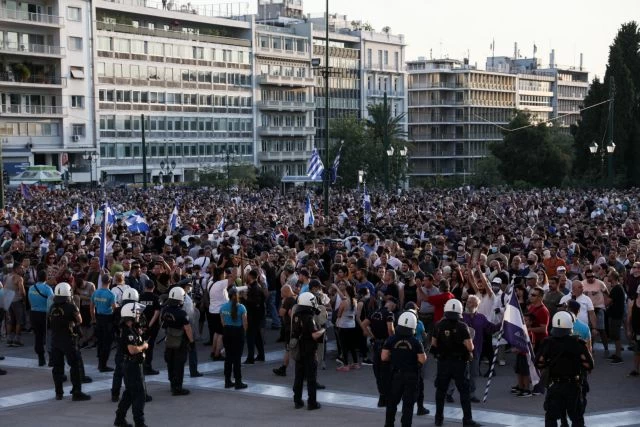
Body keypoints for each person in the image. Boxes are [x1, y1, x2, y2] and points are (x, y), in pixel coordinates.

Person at [536, 311, 594, 427]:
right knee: (577, 418)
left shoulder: (548, 343)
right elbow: (589, 364)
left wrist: (549, 363)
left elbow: (538, 363)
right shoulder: (578, 343)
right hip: (573, 385)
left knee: (551, 417)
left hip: (554, 386)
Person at [431, 299, 480, 427]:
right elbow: (470, 347)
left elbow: (433, 344)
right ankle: (467, 420)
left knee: (441, 391)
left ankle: (438, 418)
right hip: (459, 363)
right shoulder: (463, 326)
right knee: (464, 392)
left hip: (443, 362)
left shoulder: (438, 325)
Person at [381, 310, 427, 427]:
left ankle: (389, 424)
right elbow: (422, 359)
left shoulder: (391, 339)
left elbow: (384, 356)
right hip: (411, 375)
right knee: (408, 404)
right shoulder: (416, 342)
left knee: (392, 402)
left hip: (395, 374)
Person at [48, 282, 91, 401]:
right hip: (68, 340)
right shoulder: (71, 306)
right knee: (75, 366)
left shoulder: (52, 307)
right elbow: (80, 320)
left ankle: (59, 393)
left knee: (57, 368)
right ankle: (77, 392)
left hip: (55, 340)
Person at [114, 302, 148, 427]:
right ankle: (140, 423)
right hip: (132, 365)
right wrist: (144, 346)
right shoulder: (128, 332)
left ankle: (119, 419)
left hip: (128, 364)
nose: (139, 315)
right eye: (137, 313)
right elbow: (132, 350)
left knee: (129, 393)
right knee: (140, 395)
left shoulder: (127, 329)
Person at [291, 292, 326, 410]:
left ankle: (297, 401)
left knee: (298, 376)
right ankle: (312, 403)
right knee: (311, 378)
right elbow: (315, 335)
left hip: (298, 350)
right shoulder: (309, 317)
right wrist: (323, 330)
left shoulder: (296, 315)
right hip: (309, 350)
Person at [361, 297, 397, 407]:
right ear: (392, 305)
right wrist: (393, 342)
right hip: (386, 345)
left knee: (377, 371)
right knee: (387, 371)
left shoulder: (374, 312)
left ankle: (382, 397)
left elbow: (363, 324)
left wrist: (372, 336)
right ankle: (387, 396)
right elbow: (390, 329)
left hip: (376, 344)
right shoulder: (389, 314)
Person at [161, 286, 195, 396]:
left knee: (170, 362)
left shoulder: (165, 310)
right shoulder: (182, 313)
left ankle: (172, 384)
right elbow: (187, 328)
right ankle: (178, 388)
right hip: (180, 341)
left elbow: (162, 324)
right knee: (179, 364)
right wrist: (192, 341)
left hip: (169, 339)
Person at [220, 286, 248, 389]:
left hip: (227, 332)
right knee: (237, 359)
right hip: (237, 332)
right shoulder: (241, 307)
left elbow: (222, 322)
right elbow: (245, 323)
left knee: (228, 358)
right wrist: (243, 332)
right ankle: (238, 381)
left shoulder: (223, 307)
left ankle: (227, 381)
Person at [91, 273, 117, 372]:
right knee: (107, 343)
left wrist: (93, 318)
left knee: (100, 342)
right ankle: (103, 365)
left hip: (98, 318)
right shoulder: (110, 294)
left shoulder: (96, 292)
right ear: (109, 282)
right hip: (108, 319)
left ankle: (100, 363)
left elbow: (91, 307)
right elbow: (115, 309)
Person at [28, 269, 53, 366]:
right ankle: (51, 359)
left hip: (34, 314)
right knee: (49, 336)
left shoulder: (31, 288)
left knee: (38, 337)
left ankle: (41, 359)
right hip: (45, 315)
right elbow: (51, 303)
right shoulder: (48, 289)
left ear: (37, 277)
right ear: (46, 278)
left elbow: (30, 301)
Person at [243, 270, 266, 364]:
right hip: (256, 316)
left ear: (250, 276)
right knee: (257, 337)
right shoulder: (255, 287)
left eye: (247, 275)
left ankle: (250, 357)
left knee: (251, 337)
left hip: (253, 316)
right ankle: (261, 355)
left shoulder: (256, 288)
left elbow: (256, 303)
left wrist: (246, 298)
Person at [139, 280, 161, 375]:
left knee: (141, 345)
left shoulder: (140, 297)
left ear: (145, 287)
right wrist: (149, 325)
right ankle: (147, 367)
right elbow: (157, 313)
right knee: (150, 346)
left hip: (141, 326)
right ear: (153, 287)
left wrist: (142, 325)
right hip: (152, 327)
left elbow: (138, 312)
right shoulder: (156, 298)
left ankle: (141, 366)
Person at [626, 285, 640, 377]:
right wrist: (628, 330)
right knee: (638, 350)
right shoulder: (632, 303)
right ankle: (636, 369)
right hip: (637, 331)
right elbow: (629, 318)